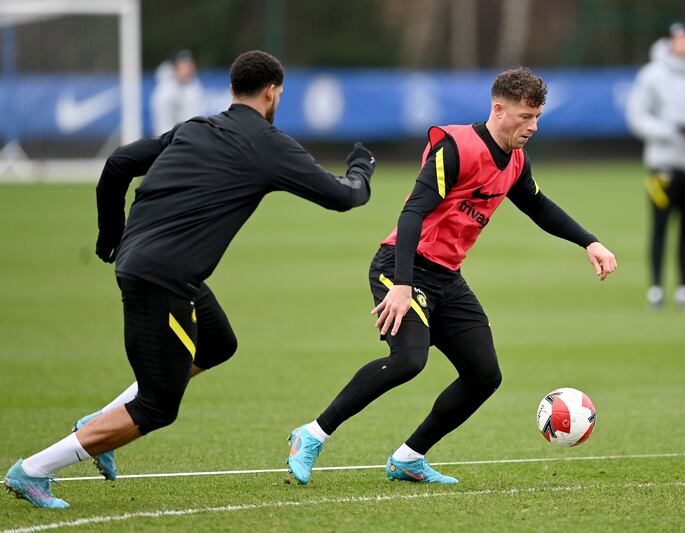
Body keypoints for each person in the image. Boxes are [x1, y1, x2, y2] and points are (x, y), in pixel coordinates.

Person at [3, 50, 376, 508]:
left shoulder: (196, 126)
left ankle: (101, 420)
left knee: (217, 341)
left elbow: (119, 162)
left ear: (231, 89)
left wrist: (109, 237)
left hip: (149, 262)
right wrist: (361, 168)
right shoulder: (268, 143)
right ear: (273, 91)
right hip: (163, 277)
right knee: (158, 406)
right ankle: (34, 470)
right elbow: (344, 196)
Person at [285, 67, 617, 485]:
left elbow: (539, 206)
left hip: (446, 277)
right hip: (400, 265)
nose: (533, 126)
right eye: (525, 117)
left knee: (484, 376)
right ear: (499, 110)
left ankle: (408, 458)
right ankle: (311, 436)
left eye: (537, 117)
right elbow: (412, 214)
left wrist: (590, 242)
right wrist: (402, 286)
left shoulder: (515, 160)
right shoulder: (456, 148)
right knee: (408, 360)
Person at [626, 22, 685, 309]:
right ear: (670, 43)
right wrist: (671, 130)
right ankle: (655, 287)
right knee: (660, 226)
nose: (683, 44)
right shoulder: (652, 75)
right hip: (663, 164)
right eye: (678, 39)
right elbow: (637, 116)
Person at [150, 49, 205, 135]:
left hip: (190, 139)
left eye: (189, 65)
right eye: (184, 66)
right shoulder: (164, 93)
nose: (188, 69)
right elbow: (162, 125)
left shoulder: (194, 86)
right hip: (171, 142)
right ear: (175, 67)